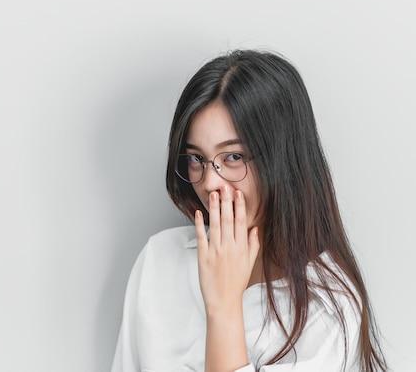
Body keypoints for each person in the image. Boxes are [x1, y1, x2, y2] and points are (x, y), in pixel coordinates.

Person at [111, 50, 388, 371]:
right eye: (196, 158)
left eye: (233, 157)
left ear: (283, 161)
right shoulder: (160, 259)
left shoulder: (326, 304)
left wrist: (224, 307)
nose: (210, 181)